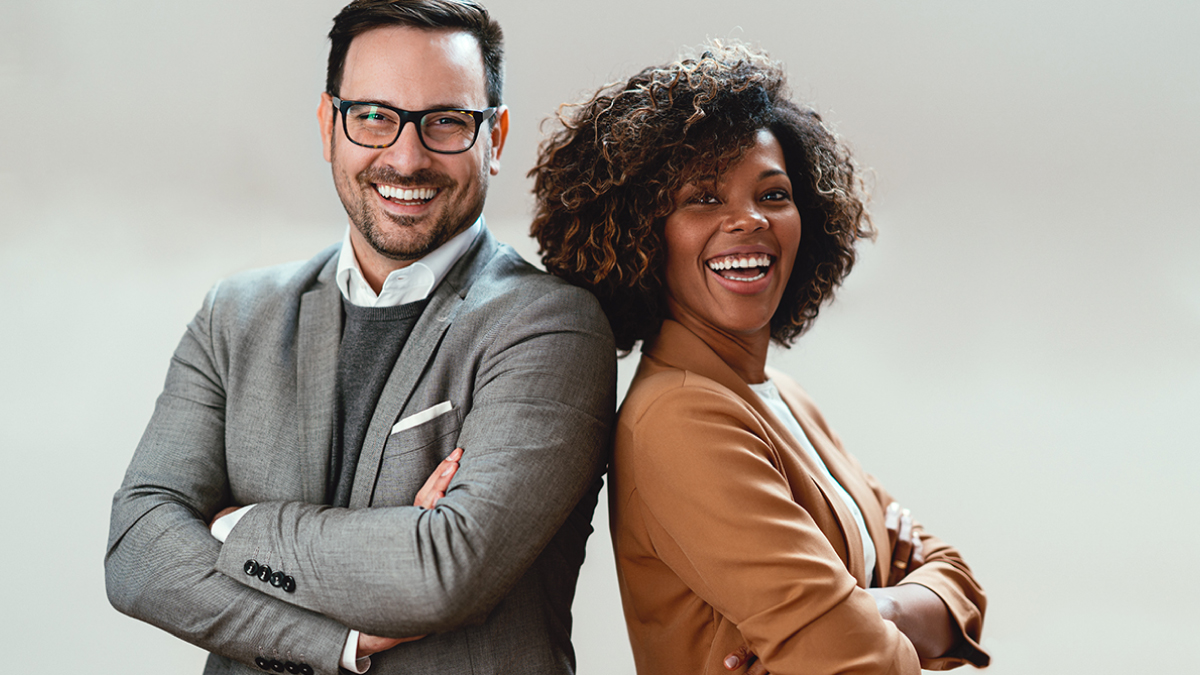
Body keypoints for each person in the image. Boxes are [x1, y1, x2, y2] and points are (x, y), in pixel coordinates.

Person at [105, 2, 615, 674]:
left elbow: (441, 571)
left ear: (495, 137)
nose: (406, 158)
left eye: (447, 122)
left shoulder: (553, 326)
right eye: (374, 116)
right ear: (329, 125)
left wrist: (231, 525)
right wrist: (333, 640)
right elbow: (138, 551)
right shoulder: (235, 315)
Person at [531, 42, 990, 674]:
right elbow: (861, 662)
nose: (748, 221)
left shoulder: (781, 394)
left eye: (773, 195)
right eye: (703, 198)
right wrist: (876, 614)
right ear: (642, 232)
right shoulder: (680, 418)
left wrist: (865, 609)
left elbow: (958, 579)